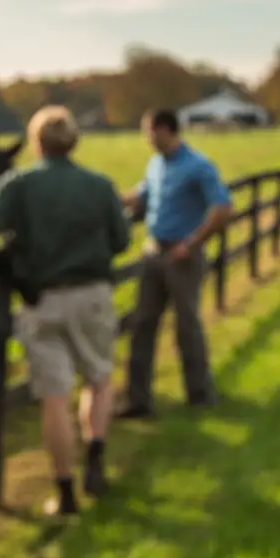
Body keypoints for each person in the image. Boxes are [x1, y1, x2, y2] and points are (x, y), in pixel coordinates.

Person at [0, 105, 130, 517]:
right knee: (98, 381)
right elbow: (122, 240)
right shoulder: (99, 185)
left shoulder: (19, 184)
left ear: (36, 142)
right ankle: (95, 462)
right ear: (73, 141)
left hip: (43, 300)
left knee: (54, 398)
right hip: (92, 296)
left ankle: (65, 492)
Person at [117, 107, 233, 419]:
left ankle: (200, 395)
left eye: (148, 131)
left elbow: (222, 207)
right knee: (142, 325)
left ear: (166, 130)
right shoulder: (155, 164)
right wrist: (107, 197)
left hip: (183, 257)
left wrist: (193, 243)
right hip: (153, 253)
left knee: (187, 327)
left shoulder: (198, 166)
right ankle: (138, 400)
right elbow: (140, 196)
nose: (146, 138)